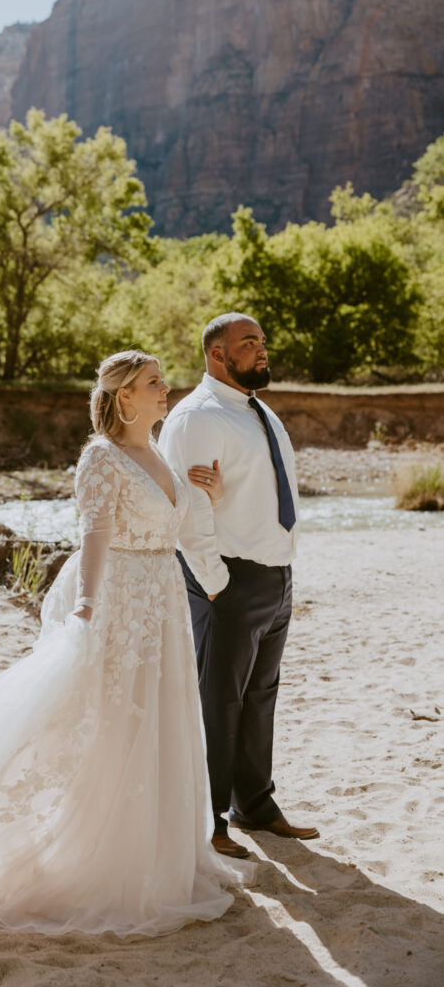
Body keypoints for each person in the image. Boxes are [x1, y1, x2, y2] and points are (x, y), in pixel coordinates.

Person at [0, 350, 255, 937]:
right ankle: (107, 864)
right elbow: (94, 534)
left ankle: (160, 860)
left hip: (164, 597)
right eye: (154, 384)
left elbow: (177, 523)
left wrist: (212, 496)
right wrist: (86, 609)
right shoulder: (102, 457)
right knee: (119, 722)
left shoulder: (158, 452)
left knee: (165, 719)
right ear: (125, 397)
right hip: (121, 597)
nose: (164, 390)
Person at [159, 313, 319, 860]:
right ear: (216, 355)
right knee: (218, 701)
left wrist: (282, 570)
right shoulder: (197, 418)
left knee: (259, 696)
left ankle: (255, 804)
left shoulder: (258, 411)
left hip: (275, 576)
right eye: (248, 343)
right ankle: (209, 819)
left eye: (263, 340)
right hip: (226, 578)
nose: (261, 350)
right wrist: (216, 584)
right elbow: (189, 510)